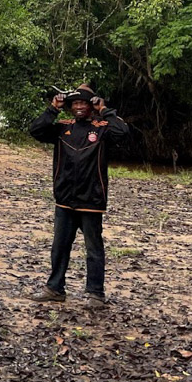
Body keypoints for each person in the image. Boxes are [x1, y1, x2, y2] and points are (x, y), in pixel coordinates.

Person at [29, 83, 129, 308]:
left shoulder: (102, 128)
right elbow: (36, 130)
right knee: (59, 246)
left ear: (92, 105)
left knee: (93, 248)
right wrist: (53, 108)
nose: (80, 107)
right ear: (70, 107)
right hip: (64, 199)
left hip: (91, 201)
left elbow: (123, 132)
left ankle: (95, 294)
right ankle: (55, 288)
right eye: (76, 103)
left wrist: (104, 109)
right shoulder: (62, 127)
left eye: (84, 102)